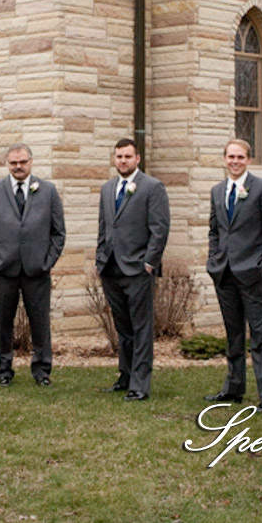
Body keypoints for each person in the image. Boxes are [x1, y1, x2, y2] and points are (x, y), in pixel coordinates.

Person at [0, 143, 66, 386]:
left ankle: (42, 371)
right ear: (7, 163)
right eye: (13, 162)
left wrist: (48, 261)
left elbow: (59, 233)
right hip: (4, 269)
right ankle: (4, 371)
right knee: (3, 323)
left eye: (22, 162)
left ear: (31, 162)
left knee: (40, 322)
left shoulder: (48, 191)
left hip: (37, 269)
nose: (18, 166)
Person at [205, 138, 262, 412]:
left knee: (261, 335)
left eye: (240, 157)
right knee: (233, 335)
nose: (235, 161)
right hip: (224, 273)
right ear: (224, 159)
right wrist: (213, 258)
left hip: (253, 273)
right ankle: (233, 388)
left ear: (248, 159)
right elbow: (214, 230)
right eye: (231, 157)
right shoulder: (217, 191)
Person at [95, 137, 170, 401]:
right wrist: (100, 258)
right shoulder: (107, 188)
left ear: (137, 159)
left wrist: (149, 263)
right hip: (111, 268)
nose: (123, 161)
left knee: (141, 328)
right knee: (123, 327)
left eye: (128, 156)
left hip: (138, 269)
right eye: (119, 156)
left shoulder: (152, 187)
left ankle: (140, 385)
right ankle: (125, 376)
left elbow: (159, 230)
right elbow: (105, 227)